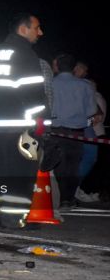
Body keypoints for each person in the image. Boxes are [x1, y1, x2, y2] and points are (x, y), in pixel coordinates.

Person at [0, 13, 48, 228]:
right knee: (20, 173)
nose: (40, 32)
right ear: (23, 29)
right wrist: (40, 123)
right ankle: (13, 217)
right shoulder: (25, 53)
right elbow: (33, 91)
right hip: (21, 125)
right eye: (37, 27)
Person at [51, 54, 97, 208]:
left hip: (56, 130)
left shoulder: (51, 83)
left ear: (57, 65)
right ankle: (67, 199)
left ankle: (58, 198)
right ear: (73, 68)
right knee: (73, 165)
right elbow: (91, 111)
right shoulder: (85, 85)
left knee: (58, 164)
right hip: (77, 131)